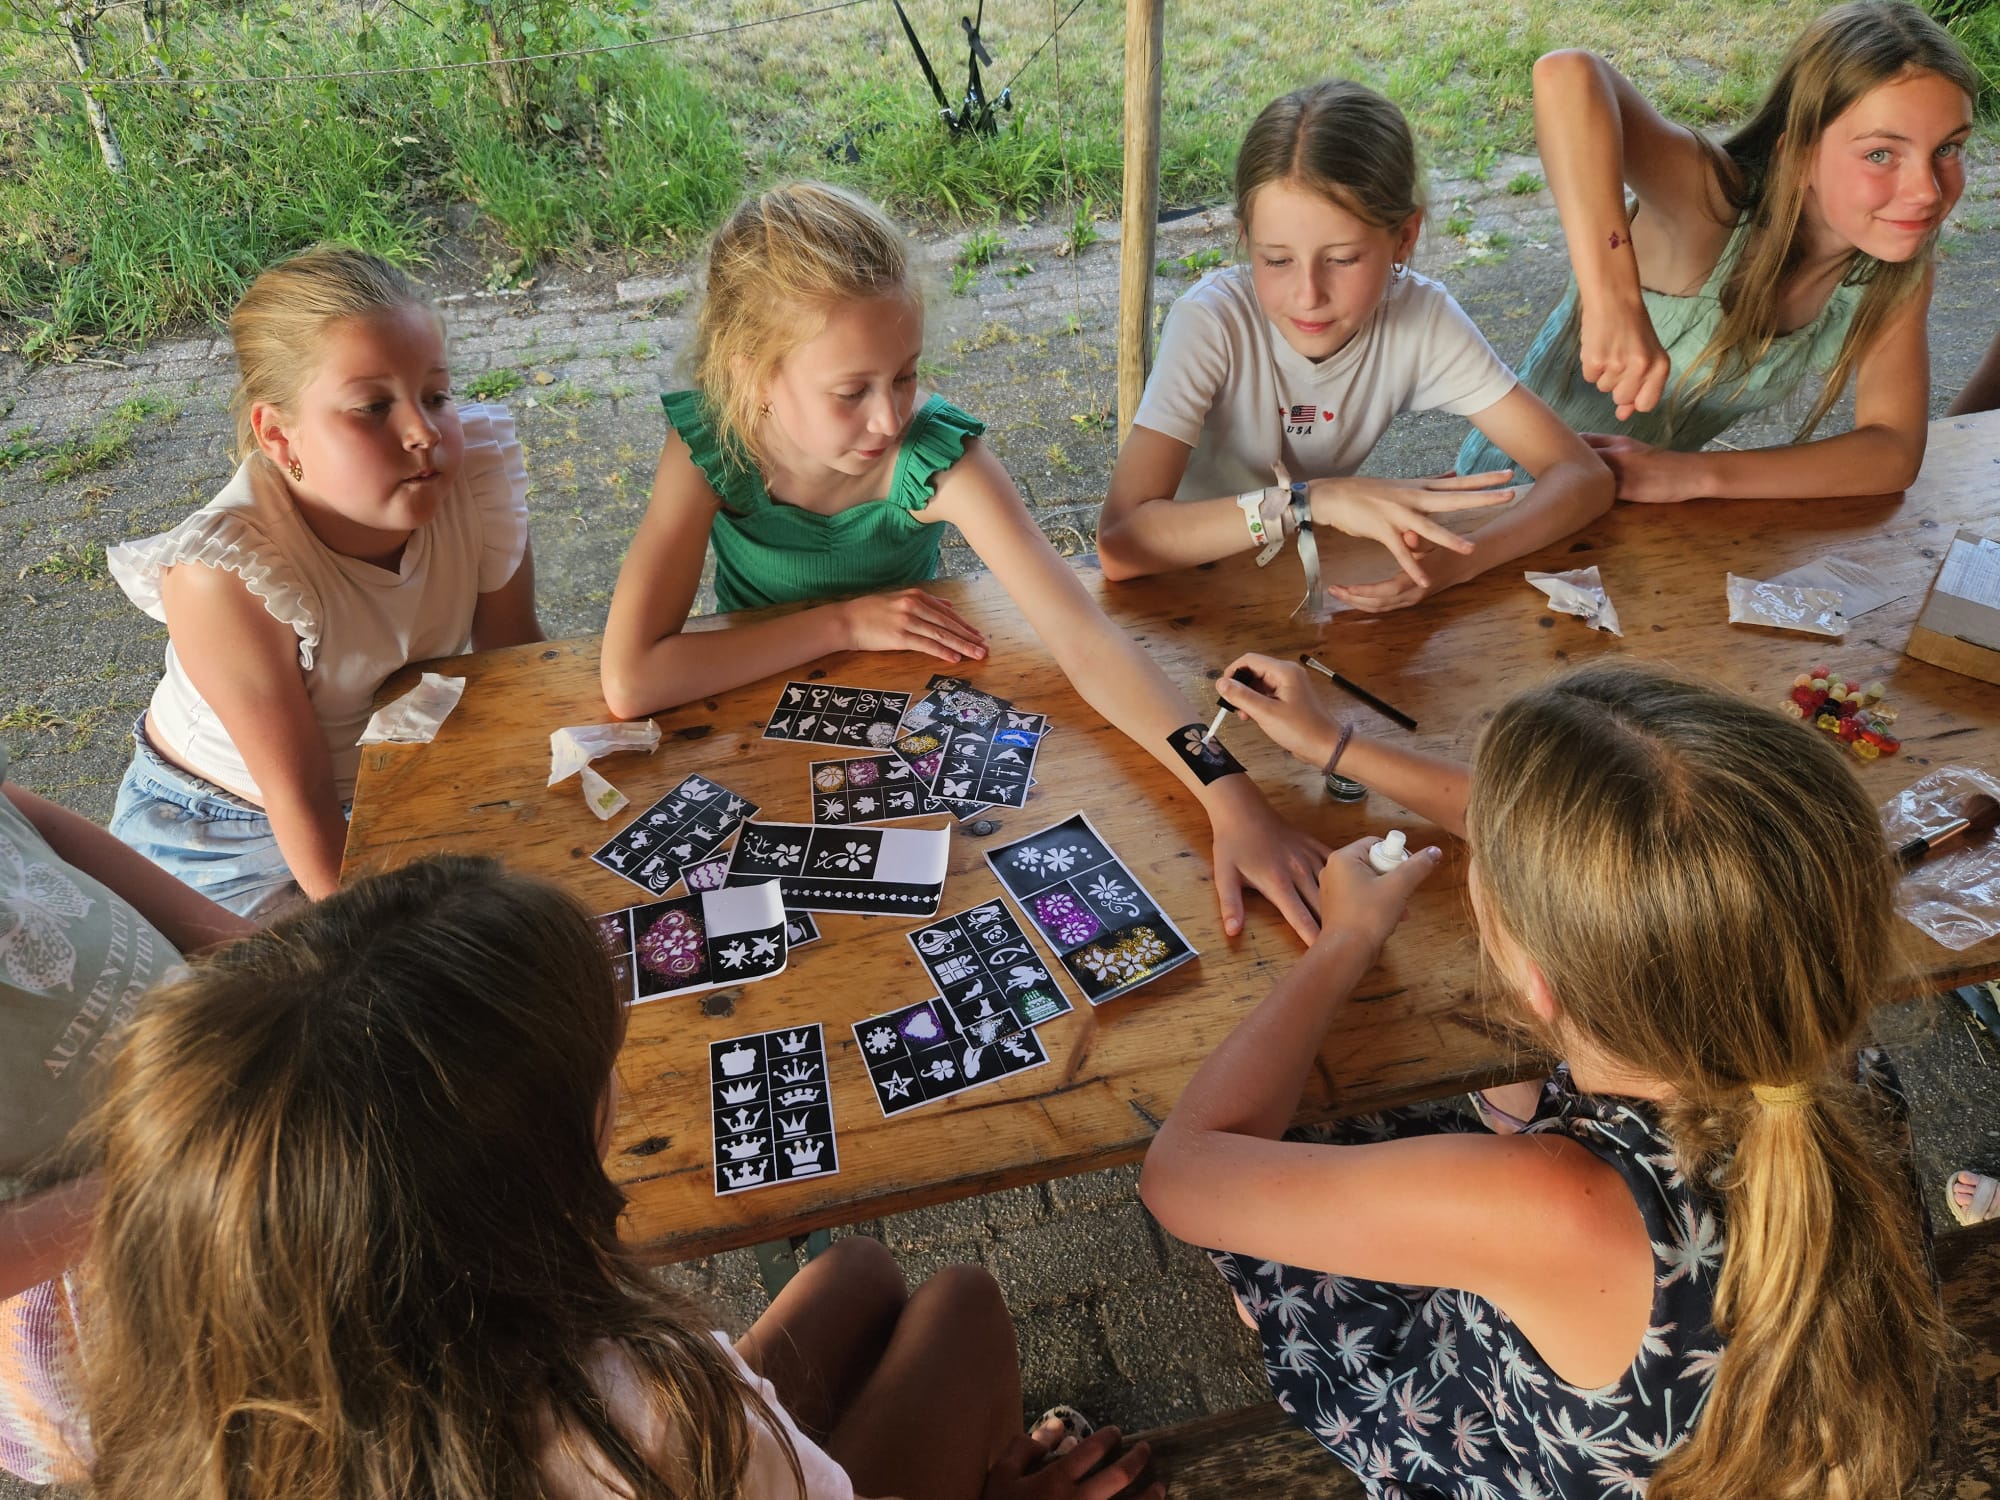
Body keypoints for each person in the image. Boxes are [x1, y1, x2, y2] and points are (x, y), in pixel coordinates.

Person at [78, 854, 1158, 1500]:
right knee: (960, 1302)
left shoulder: (198, 1394)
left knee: (865, 1273)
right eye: (600, 1070)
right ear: (523, 1176)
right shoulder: (660, 1400)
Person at [1140, 658, 1948, 1497]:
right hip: (1694, 1393)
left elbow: (1184, 1174)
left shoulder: (1549, 1206)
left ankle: (1276, 1299)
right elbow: (1647, 847)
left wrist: (1346, 938)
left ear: (1534, 982)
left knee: (1301, 1143)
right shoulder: (1824, 1049)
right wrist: (1333, 743)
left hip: (1484, 1439)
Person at [601, 182, 1330, 941]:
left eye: (906, 375)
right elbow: (631, 681)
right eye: (851, 391)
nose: (889, 418)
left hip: (909, 733)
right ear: (754, 377)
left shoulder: (939, 455)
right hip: (753, 727)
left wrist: (1232, 799)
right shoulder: (707, 449)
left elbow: (1089, 643)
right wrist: (842, 623)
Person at [106, 247, 544, 919]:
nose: (423, 432)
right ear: (279, 439)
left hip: (387, 774)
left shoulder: (475, 478)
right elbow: (299, 796)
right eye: (372, 408)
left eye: (436, 395)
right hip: (221, 829)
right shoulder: (224, 575)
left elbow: (517, 665)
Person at [1095, 80, 1611, 615]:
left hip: (1305, 577)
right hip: (1183, 589)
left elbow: (1582, 477)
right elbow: (1122, 542)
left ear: (1404, 239)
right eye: (1276, 260)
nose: (1308, 296)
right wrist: (1310, 501)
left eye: (1341, 259)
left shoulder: (1422, 318)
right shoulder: (1213, 322)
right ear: (1245, 239)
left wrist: (1457, 563)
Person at [1459, 1, 1977, 504]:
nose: (1928, 192)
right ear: (1796, 156)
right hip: (1503, 500)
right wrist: (1611, 300)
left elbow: (1893, 450)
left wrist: (1691, 476)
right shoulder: (1710, 205)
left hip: (1632, 522)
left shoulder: (1887, 271)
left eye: (1947, 148)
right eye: (1881, 154)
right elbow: (1567, 75)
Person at [0, 751, 254, 1483]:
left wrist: (237, 942)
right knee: (193, 1452)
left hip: (195, 1138)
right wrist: (151, 1173)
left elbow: (24, 812)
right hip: (97, 1273)